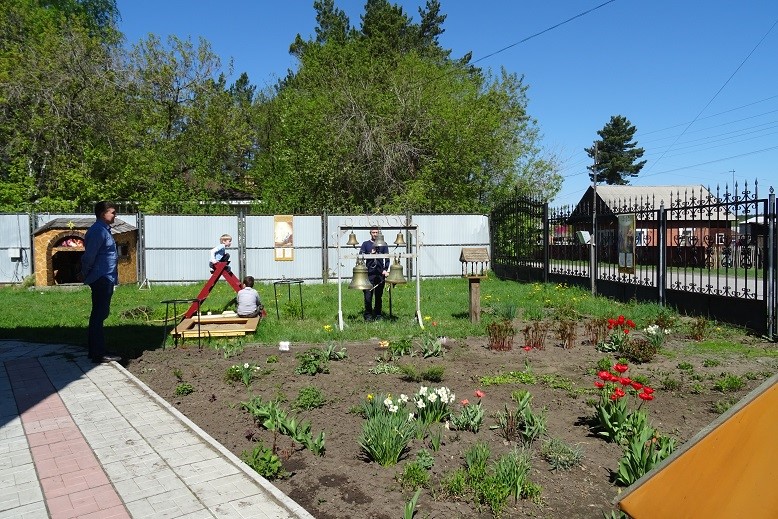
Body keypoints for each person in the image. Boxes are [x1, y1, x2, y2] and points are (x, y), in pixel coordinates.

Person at [81, 201, 121, 363]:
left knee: (100, 314)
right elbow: (89, 256)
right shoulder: (98, 231)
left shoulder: (104, 230)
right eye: (113, 212)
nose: (115, 215)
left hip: (105, 277)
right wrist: (85, 273)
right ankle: (98, 353)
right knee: (99, 314)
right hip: (101, 277)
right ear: (103, 214)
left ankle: (96, 351)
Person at [359, 227, 389, 321]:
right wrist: (370, 254)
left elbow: (387, 258)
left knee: (378, 296)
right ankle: (368, 315)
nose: (375, 234)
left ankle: (378, 314)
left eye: (376, 232)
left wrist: (385, 269)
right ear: (370, 233)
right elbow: (360, 256)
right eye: (373, 232)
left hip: (380, 274)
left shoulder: (383, 244)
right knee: (368, 296)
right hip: (369, 274)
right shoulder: (366, 244)